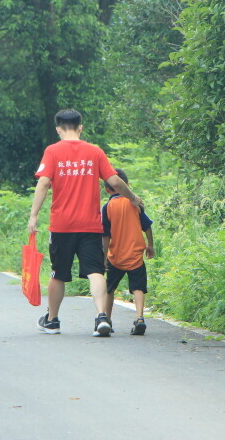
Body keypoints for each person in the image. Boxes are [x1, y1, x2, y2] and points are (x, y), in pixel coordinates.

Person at [28, 109, 143, 337]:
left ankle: (52, 320)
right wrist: (133, 197)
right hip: (90, 225)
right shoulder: (95, 151)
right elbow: (114, 181)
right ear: (80, 127)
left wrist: (33, 215)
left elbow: (43, 183)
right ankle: (101, 317)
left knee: (58, 273)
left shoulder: (52, 151)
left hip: (62, 226)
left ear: (58, 129)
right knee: (95, 271)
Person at [101, 168, 154, 335]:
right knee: (138, 287)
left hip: (115, 255)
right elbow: (147, 226)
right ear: (127, 185)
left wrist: (103, 257)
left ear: (106, 189)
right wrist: (150, 245)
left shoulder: (107, 207)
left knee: (109, 288)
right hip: (135, 254)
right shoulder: (135, 204)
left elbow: (105, 235)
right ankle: (139, 318)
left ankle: (107, 320)